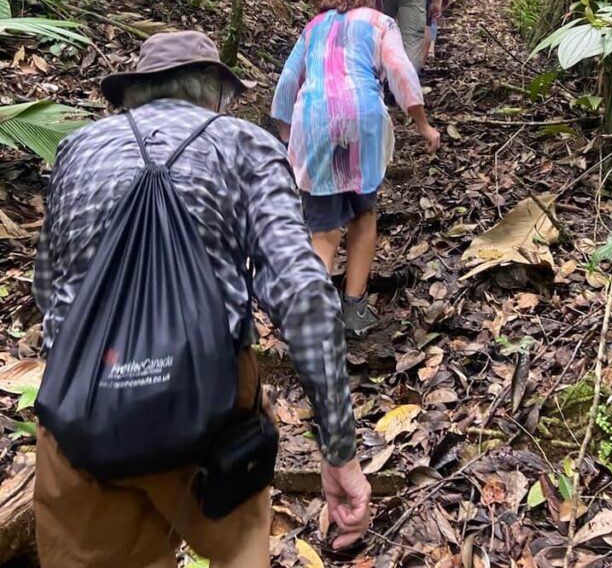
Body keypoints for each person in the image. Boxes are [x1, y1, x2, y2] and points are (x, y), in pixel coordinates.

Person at [33, 30, 371, 568]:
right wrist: (339, 450)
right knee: (239, 545)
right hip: (208, 408)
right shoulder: (245, 145)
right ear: (216, 93)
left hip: (83, 409)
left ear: (134, 94)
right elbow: (304, 295)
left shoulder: (78, 148)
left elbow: (48, 291)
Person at [271, 0, 441, 335]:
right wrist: (423, 124)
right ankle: (355, 308)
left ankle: (312, 320)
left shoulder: (314, 26)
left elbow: (288, 81)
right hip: (363, 119)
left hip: (314, 120)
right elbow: (400, 69)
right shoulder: (381, 22)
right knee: (363, 214)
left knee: (324, 231)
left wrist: (288, 134)